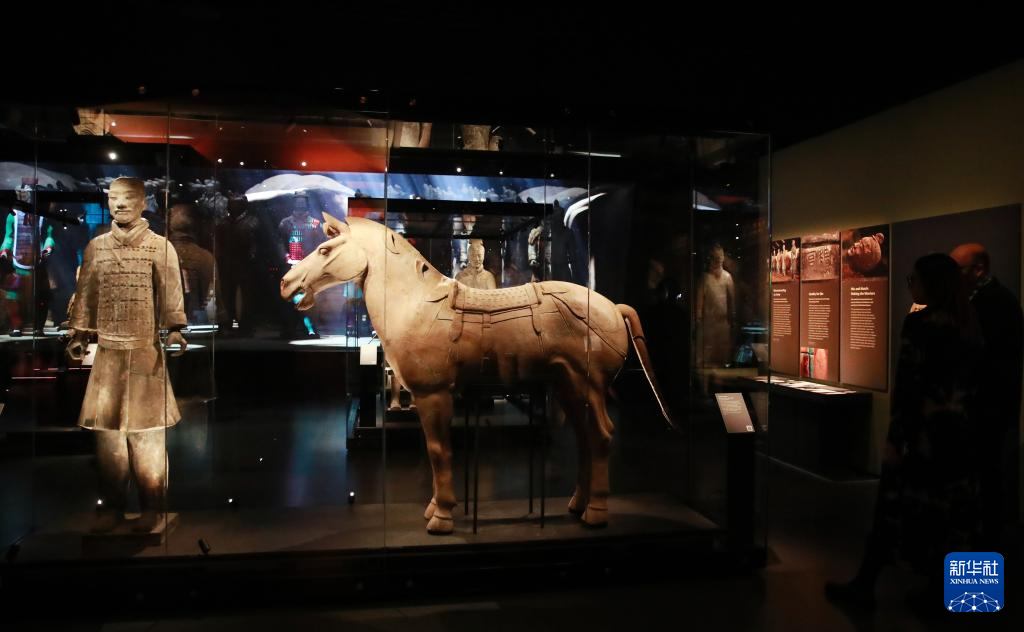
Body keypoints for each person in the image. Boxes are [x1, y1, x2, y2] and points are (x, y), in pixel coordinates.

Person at [826, 253, 983, 607]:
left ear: (930, 283)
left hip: (923, 437)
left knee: (891, 511)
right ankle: (957, 597)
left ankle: (865, 586)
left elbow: (909, 388)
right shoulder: (970, 325)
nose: (911, 286)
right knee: (952, 517)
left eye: (913, 280)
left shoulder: (920, 325)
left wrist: (896, 440)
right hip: (958, 438)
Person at [66, 177, 187, 534]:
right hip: (107, 354)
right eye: (114, 198)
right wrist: (78, 332)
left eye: (128, 197)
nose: (119, 204)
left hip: (145, 352)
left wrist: (175, 327)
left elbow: (171, 293)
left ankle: (153, 507)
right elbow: (86, 294)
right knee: (107, 439)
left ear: (143, 202)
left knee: (147, 437)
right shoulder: (97, 247)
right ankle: (112, 507)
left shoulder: (159, 247)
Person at [950, 243, 1023, 550]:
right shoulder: (982, 299)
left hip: (988, 407)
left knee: (986, 475)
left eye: (957, 270)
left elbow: (984, 358)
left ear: (978, 269)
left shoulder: (994, 303)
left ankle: (984, 547)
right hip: (983, 405)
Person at [0, 202, 55, 334]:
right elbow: (8, 236)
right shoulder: (13, 215)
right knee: (14, 297)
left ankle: (38, 327)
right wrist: (5, 249)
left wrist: (47, 248)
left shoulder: (43, 217)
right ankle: (16, 326)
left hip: (37, 264)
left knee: (41, 296)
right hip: (18, 264)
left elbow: (49, 236)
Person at [277, 195, 324, 338]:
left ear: (307, 203)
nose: (300, 203)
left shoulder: (315, 224)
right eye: (298, 201)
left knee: (309, 298)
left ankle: (310, 328)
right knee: (288, 297)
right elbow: (280, 243)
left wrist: (313, 261)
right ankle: (288, 328)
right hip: (290, 266)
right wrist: (287, 258)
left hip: (309, 267)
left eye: (303, 201)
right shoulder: (285, 223)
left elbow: (320, 245)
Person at [215, 196, 257, 336]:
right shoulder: (223, 223)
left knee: (247, 296)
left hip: (245, 264)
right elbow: (218, 244)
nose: (232, 207)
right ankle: (226, 323)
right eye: (231, 204)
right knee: (227, 295)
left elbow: (256, 243)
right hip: (227, 263)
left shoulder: (252, 222)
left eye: (236, 204)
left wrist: (253, 256)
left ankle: (246, 325)